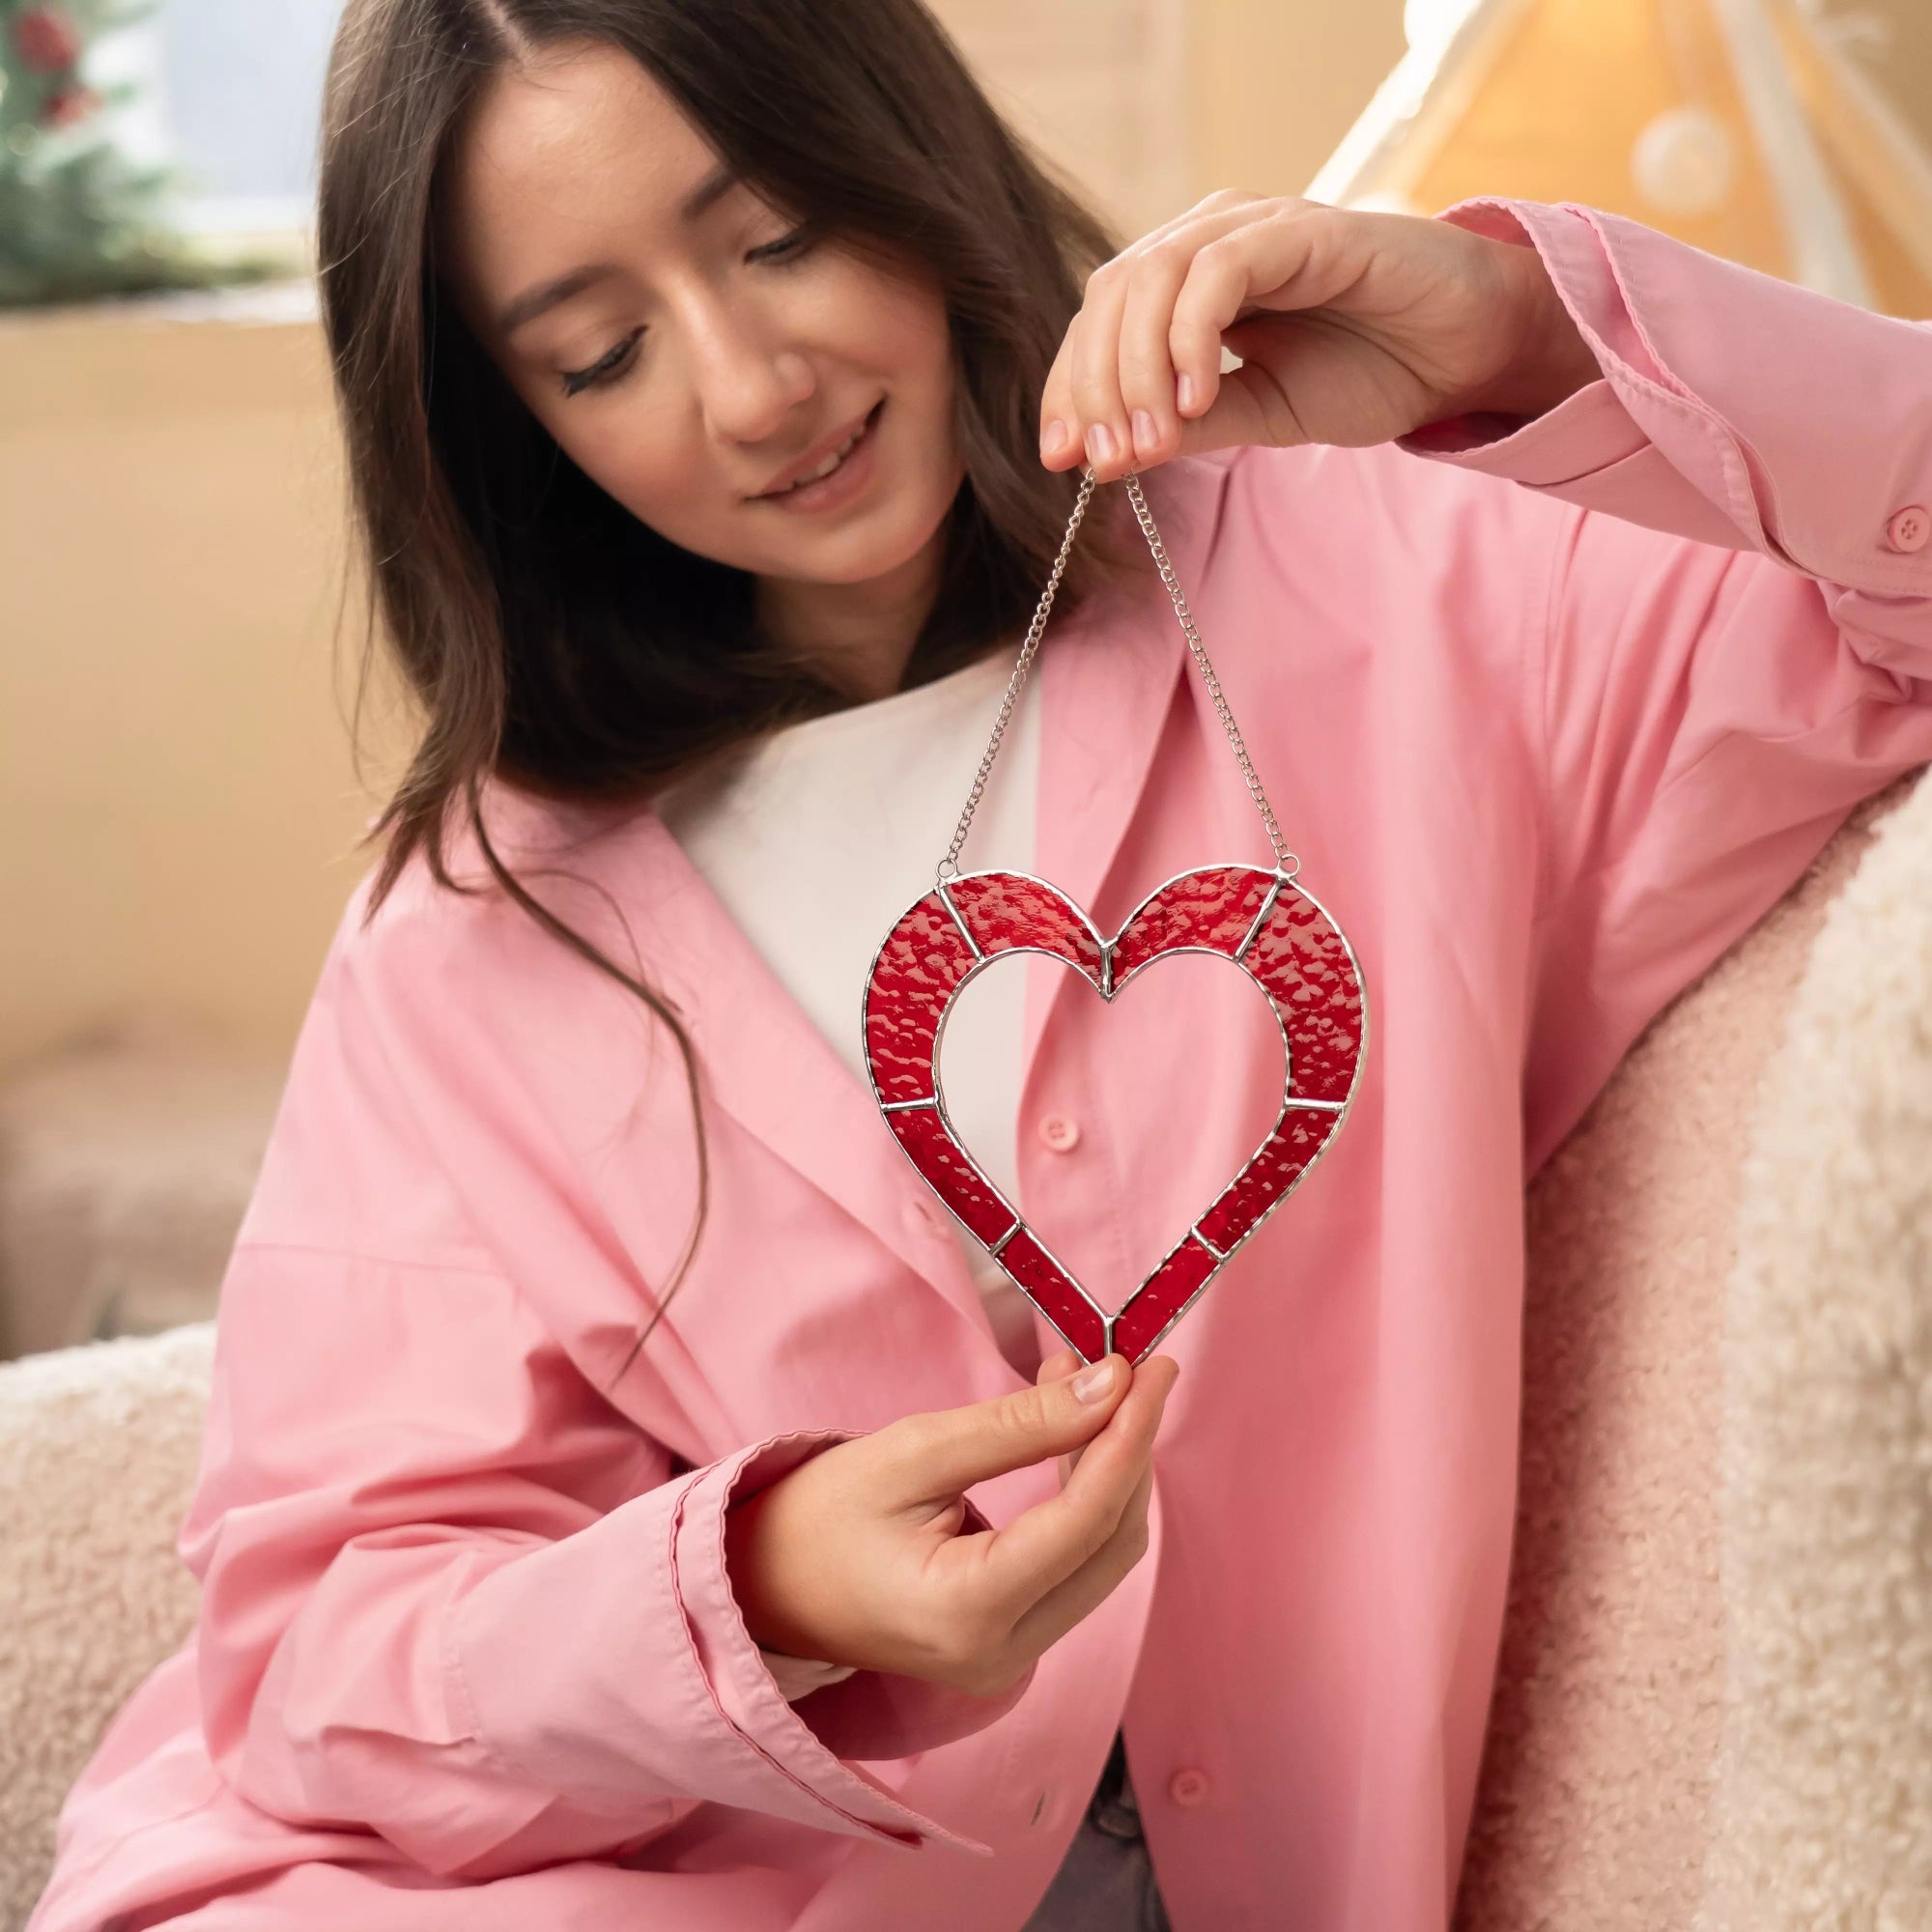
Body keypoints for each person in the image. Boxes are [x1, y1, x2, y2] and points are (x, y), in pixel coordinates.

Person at [27, 0, 1932, 1926]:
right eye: (600, 354)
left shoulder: (1399, 575)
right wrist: (760, 1588)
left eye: (777, 233)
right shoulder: (473, 924)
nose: (752, 384)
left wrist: (1519, 339)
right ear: (511, 428)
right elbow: (319, 1653)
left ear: (898, 146)